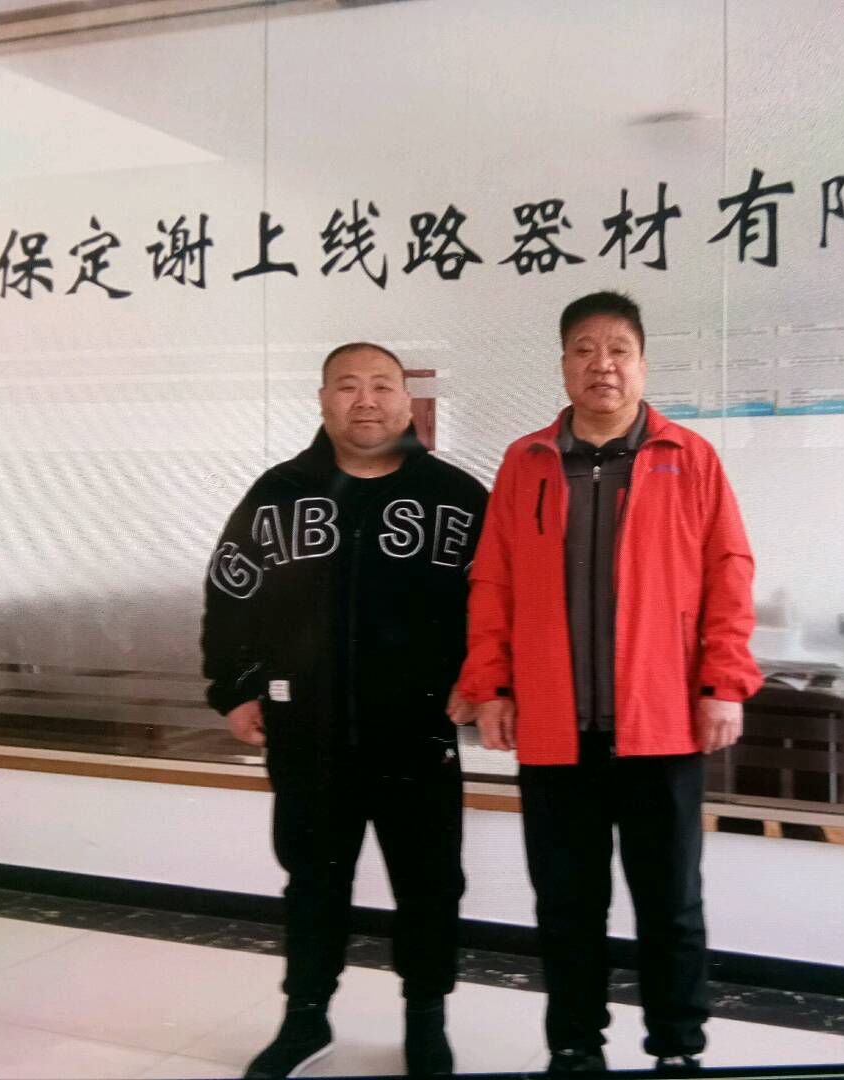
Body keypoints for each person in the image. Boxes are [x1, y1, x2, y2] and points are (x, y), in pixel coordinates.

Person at [456, 291, 761, 1074]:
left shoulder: (689, 457)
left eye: (619, 349)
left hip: (661, 726)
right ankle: (574, 1046)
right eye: (585, 349)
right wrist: (489, 684)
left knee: (671, 906)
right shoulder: (526, 462)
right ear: (563, 365)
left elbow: (729, 571)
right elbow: (492, 580)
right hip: (555, 730)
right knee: (566, 906)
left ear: (643, 364)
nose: (603, 364)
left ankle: (677, 1051)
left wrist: (724, 683)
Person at [202, 343, 486, 1078]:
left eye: (382, 385)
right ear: (323, 399)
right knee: (312, 884)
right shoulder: (277, 493)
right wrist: (235, 687)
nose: (366, 400)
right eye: (348, 386)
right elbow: (229, 594)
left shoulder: (457, 497)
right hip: (309, 735)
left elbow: (499, 602)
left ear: (406, 400)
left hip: (417, 734)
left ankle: (426, 1021)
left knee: (430, 886)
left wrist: (483, 680)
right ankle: (305, 1020)